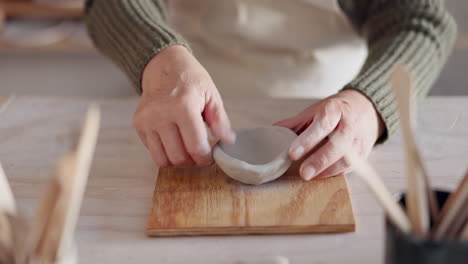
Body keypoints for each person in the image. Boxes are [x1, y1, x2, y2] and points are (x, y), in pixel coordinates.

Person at [84, 0, 456, 181]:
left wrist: (370, 103)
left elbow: (421, 21)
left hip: (329, 109)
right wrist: (158, 57)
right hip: (179, 99)